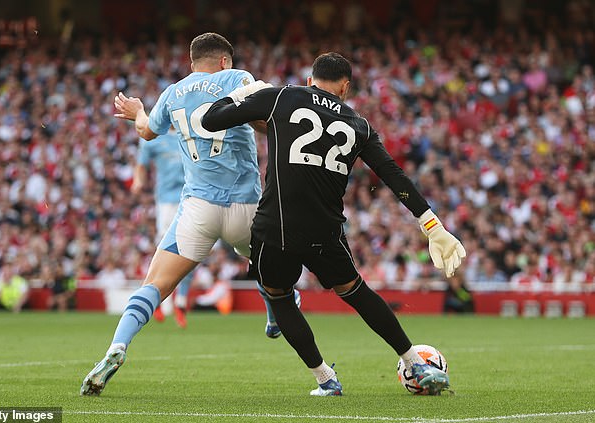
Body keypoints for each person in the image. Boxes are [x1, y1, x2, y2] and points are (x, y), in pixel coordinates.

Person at [202, 52, 466, 396]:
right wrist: (431, 224)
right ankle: (414, 361)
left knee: (279, 297)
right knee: (355, 291)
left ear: (310, 80)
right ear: (345, 88)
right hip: (325, 229)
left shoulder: (281, 96)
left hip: (275, 224)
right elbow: (392, 174)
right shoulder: (359, 124)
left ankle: (325, 379)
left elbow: (211, 120)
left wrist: (242, 94)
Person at [80, 32, 296, 396]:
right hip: (245, 207)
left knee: (153, 286)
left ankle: (116, 348)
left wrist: (137, 111)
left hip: (199, 208)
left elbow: (147, 132)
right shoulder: (236, 78)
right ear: (225, 61)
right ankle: (275, 316)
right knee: (269, 270)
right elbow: (267, 110)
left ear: (192, 62)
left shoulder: (171, 93)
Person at [132, 132, 194, 328]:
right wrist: (138, 180)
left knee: (193, 249)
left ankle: (181, 301)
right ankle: (156, 296)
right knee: (166, 250)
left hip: (192, 197)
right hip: (166, 202)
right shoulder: (154, 136)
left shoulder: (189, 129)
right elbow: (141, 164)